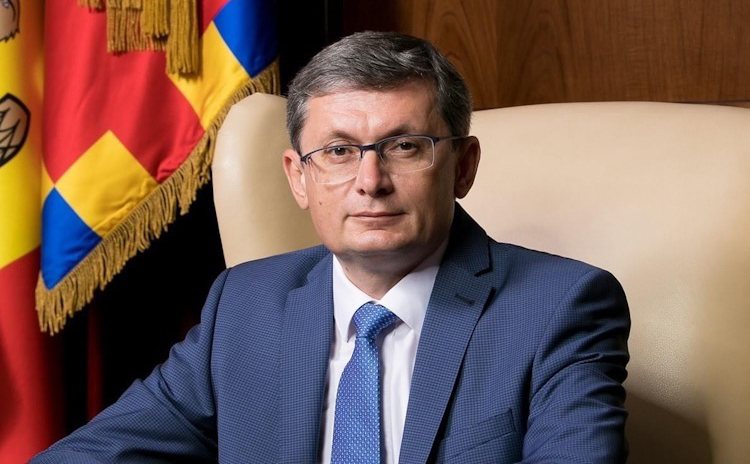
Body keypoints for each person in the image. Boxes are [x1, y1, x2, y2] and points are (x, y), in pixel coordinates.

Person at [34, 31, 630, 463]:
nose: (370, 181)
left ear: (463, 167)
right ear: (298, 178)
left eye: (404, 146)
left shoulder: (560, 307)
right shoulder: (245, 304)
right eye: (339, 152)